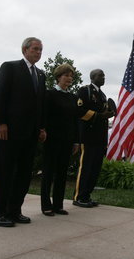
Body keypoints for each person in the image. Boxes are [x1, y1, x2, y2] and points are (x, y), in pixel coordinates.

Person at [0, 37, 46, 227]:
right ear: (25, 50)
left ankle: (14, 210)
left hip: (30, 133)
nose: (38, 52)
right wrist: (0, 122)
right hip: (10, 130)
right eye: (35, 49)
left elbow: (40, 105)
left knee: (23, 173)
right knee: (5, 172)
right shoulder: (10, 67)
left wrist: (41, 127)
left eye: (40, 50)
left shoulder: (41, 75)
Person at [40, 64, 81, 216]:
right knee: (48, 173)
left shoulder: (73, 97)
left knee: (62, 173)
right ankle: (46, 205)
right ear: (58, 77)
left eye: (71, 76)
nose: (69, 78)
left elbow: (75, 120)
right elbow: (44, 115)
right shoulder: (49, 94)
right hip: (52, 139)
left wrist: (76, 141)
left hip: (68, 140)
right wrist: (42, 130)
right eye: (66, 75)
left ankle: (58, 204)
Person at [73, 69, 115, 207]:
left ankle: (87, 196)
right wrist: (99, 116)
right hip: (88, 136)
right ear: (92, 77)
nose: (103, 77)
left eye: (104, 75)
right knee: (85, 167)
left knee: (95, 168)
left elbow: (104, 113)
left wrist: (109, 113)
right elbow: (79, 111)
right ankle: (79, 197)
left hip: (100, 137)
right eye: (100, 75)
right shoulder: (85, 91)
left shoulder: (102, 95)